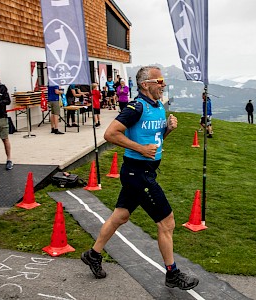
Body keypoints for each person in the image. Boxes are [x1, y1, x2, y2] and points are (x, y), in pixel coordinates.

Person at [81, 66, 199, 291]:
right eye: (160, 80)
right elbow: (110, 134)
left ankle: (93, 254)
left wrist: (169, 130)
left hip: (144, 171)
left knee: (120, 217)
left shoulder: (157, 107)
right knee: (167, 222)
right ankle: (172, 273)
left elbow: (154, 140)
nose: (163, 84)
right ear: (146, 85)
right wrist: (140, 149)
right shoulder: (135, 107)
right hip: (138, 173)